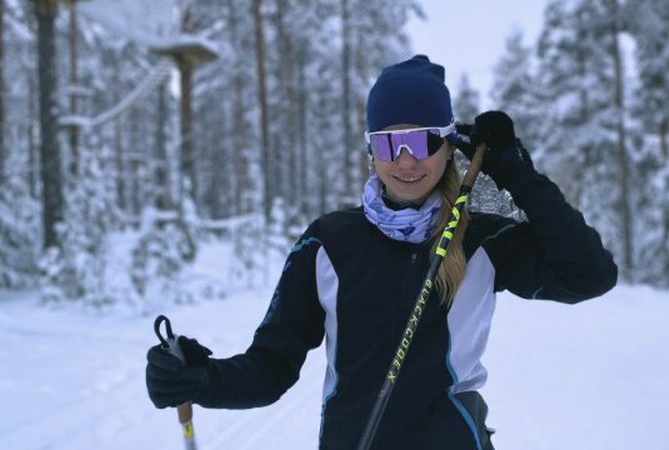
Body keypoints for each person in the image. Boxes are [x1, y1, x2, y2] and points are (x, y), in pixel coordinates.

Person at [146, 54, 617, 449]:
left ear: (447, 144)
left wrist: (516, 174)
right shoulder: (328, 243)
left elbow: (589, 275)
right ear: (371, 149)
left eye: (422, 141)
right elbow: (272, 367)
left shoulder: (481, 241)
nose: (406, 161)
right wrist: (202, 379)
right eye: (389, 143)